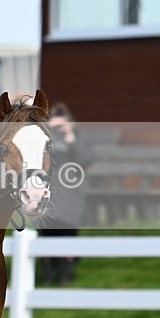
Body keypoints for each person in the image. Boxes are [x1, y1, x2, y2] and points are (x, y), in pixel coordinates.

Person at [39, 102, 92, 285]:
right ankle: (49, 273)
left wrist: (70, 137)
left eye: (61, 125)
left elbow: (85, 160)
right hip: (49, 195)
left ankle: (67, 272)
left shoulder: (76, 141)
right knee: (47, 237)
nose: (58, 130)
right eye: (55, 126)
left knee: (67, 234)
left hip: (70, 196)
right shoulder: (45, 143)